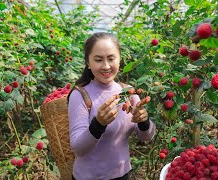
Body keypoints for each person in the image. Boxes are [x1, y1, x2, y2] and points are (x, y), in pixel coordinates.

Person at [67, 32, 156, 180]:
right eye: (98, 60)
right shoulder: (80, 95)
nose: (106, 66)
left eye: (111, 58)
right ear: (88, 63)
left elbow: (146, 137)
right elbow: (78, 148)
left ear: (119, 60)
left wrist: (144, 121)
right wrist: (98, 124)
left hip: (123, 174)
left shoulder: (127, 92)